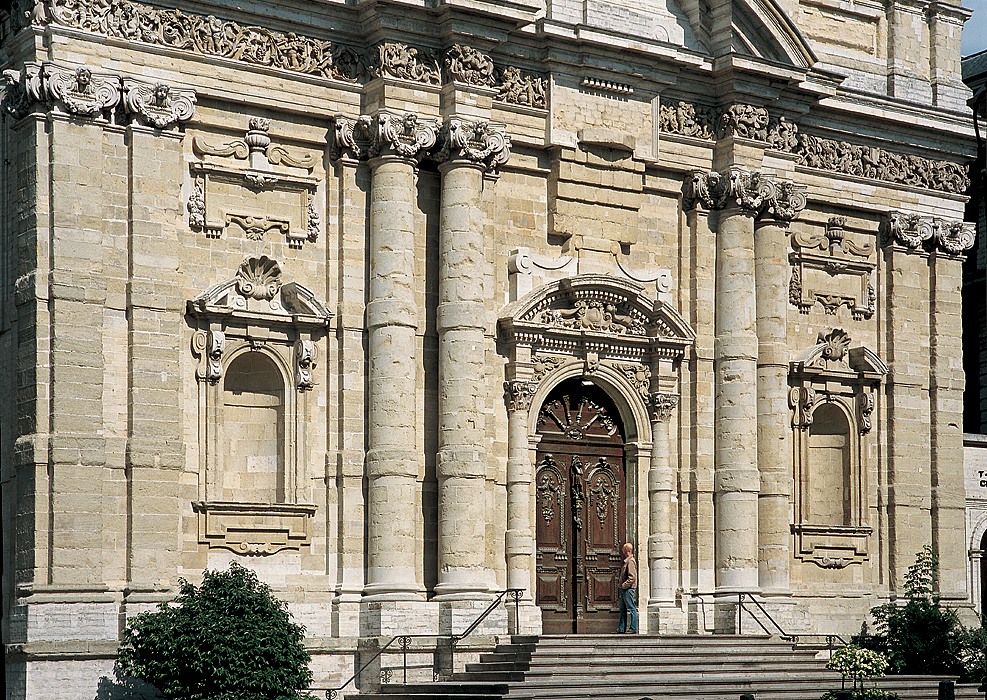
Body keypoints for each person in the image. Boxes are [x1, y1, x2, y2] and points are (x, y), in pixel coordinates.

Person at [617, 542, 637, 634]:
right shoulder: (627, 561)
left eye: (622, 549)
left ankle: (633, 628)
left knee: (631, 608)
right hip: (625, 589)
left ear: (626, 550)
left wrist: (624, 585)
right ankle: (621, 629)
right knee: (623, 609)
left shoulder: (630, 561)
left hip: (628, 589)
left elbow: (632, 577)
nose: (621, 551)